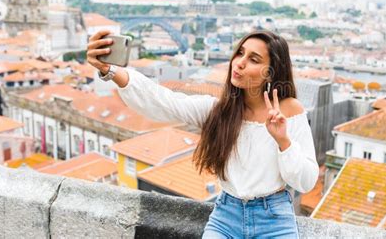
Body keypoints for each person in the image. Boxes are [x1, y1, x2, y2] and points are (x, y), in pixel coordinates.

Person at [87, 29, 319, 238]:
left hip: (274, 220)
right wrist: (111, 70)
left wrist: (283, 141)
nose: (239, 63)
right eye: (240, 53)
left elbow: (306, 181)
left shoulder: (290, 111)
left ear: (270, 72)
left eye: (253, 59)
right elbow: (163, 101)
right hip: (227, 216)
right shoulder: (218, 111)